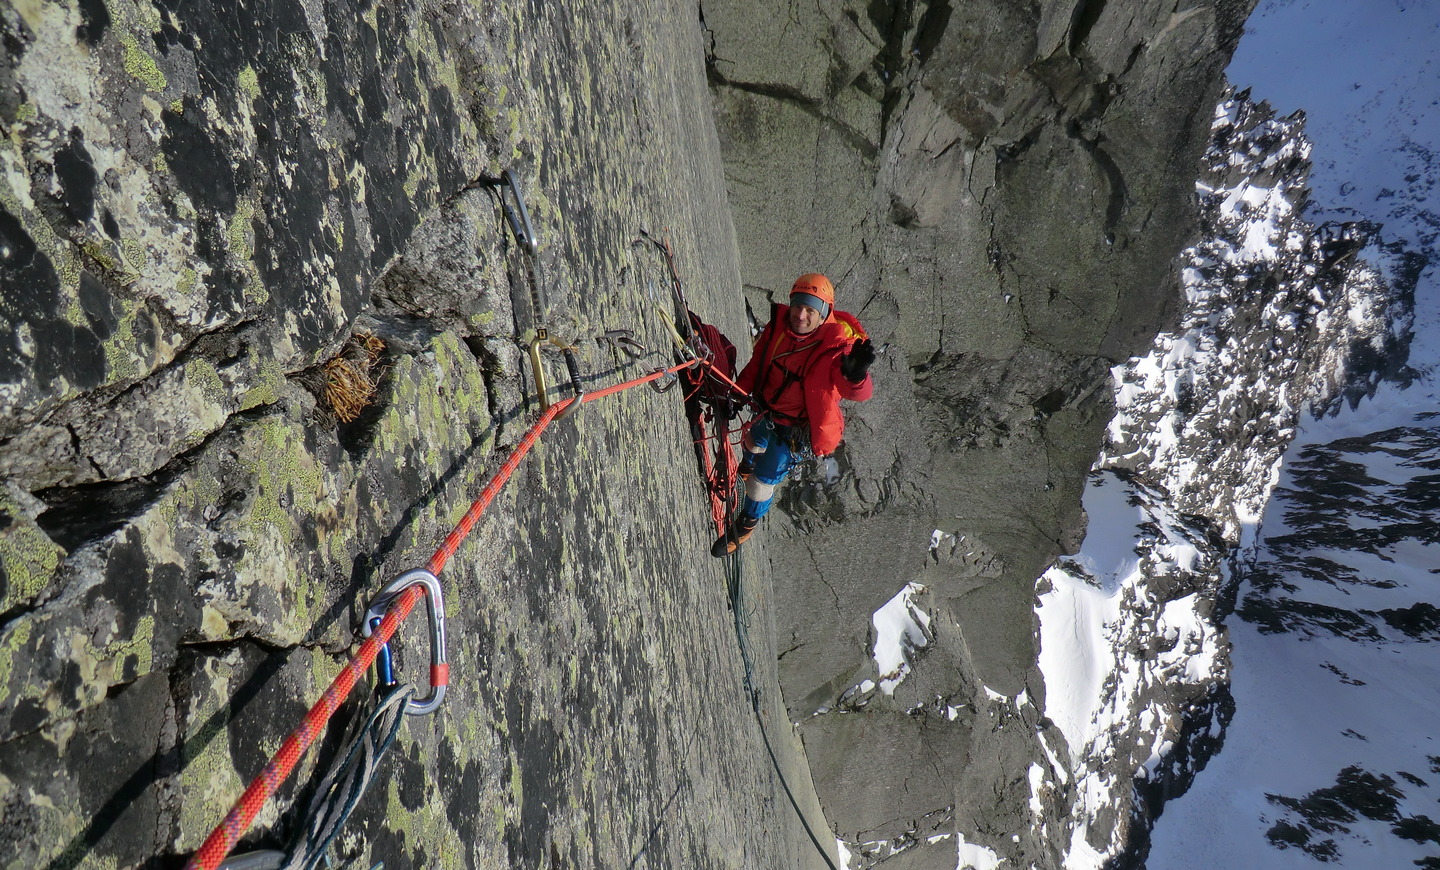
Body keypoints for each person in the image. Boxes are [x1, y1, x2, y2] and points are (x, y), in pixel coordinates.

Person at [712, 273, 875, 556]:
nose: (800, 315)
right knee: (752, 441)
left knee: (760, 484)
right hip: (767, 411)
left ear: (823, 315)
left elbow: (858, 393)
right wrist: (738, 394)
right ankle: (747, 463)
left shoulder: (837, 349)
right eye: (798, 306)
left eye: (811, 310)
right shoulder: (779, 329)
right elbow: (756, 365)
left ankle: (746, 524)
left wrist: (856, 375)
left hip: (795, 431)